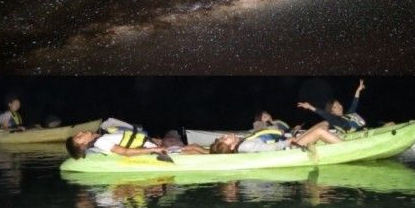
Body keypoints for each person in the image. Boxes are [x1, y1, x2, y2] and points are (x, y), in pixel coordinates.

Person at [66, 120, 208, 160]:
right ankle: (216, 158)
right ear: (83, 144)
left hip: (150, 146)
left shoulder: (102, 136)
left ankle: (213, 154)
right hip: (151, 152)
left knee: (193, 146)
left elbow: (131, 138)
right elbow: (125, 152)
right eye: (79, 137)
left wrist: (152, 141)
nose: (80, 132)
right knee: (193, 148)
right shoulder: (101, 142)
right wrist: (154, 149)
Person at [210, 121, 341, 154]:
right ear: (232, 146)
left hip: (288, 143)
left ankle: (338, 142)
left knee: (324, 124)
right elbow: (269, 148)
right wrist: (288, 141)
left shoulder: (243, 141)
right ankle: (348, 146)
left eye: (224, 136)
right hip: (288, 149)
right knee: (320, 131)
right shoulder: (245, 146)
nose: (226, 135)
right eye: (225, 138)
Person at [297, 79, 367, 134]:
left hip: (364, 131)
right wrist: (310, 107)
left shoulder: (348, 115)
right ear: (332, 113)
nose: (339, 107)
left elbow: (354, 103)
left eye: (338, 104)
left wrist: (358, 90)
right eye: (335, 107)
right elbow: (324, 113)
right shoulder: (335, 120)